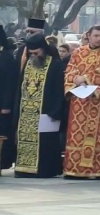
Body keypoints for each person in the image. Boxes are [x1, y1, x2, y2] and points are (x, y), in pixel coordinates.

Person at [63, 25, 100, 178]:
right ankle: (75, 169)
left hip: (99, 102)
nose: (99, 39)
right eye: (96, 36)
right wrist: (76, 79)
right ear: (88, 36)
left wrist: (86, 78)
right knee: (78, 135)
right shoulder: (77, 52)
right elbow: (69, 71)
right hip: (79, 103)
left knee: (99, 136)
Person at [11, 34, 65, 178]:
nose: (33, 55)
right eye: (31, 53)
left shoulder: (55, 65)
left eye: (36, 53)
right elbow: (19, 88)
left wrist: (55, 111)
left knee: (45, 143)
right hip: (26, 113)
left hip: (46, 112)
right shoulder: (27, 64)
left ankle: (44, 170)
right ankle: (24, 169)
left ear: (44, 49)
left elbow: (59, 90)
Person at [0, 26, 16, 173]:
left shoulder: (6, 57)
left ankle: (2, 161)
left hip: (2, 103)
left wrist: (6, 104)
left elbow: (10, 83)